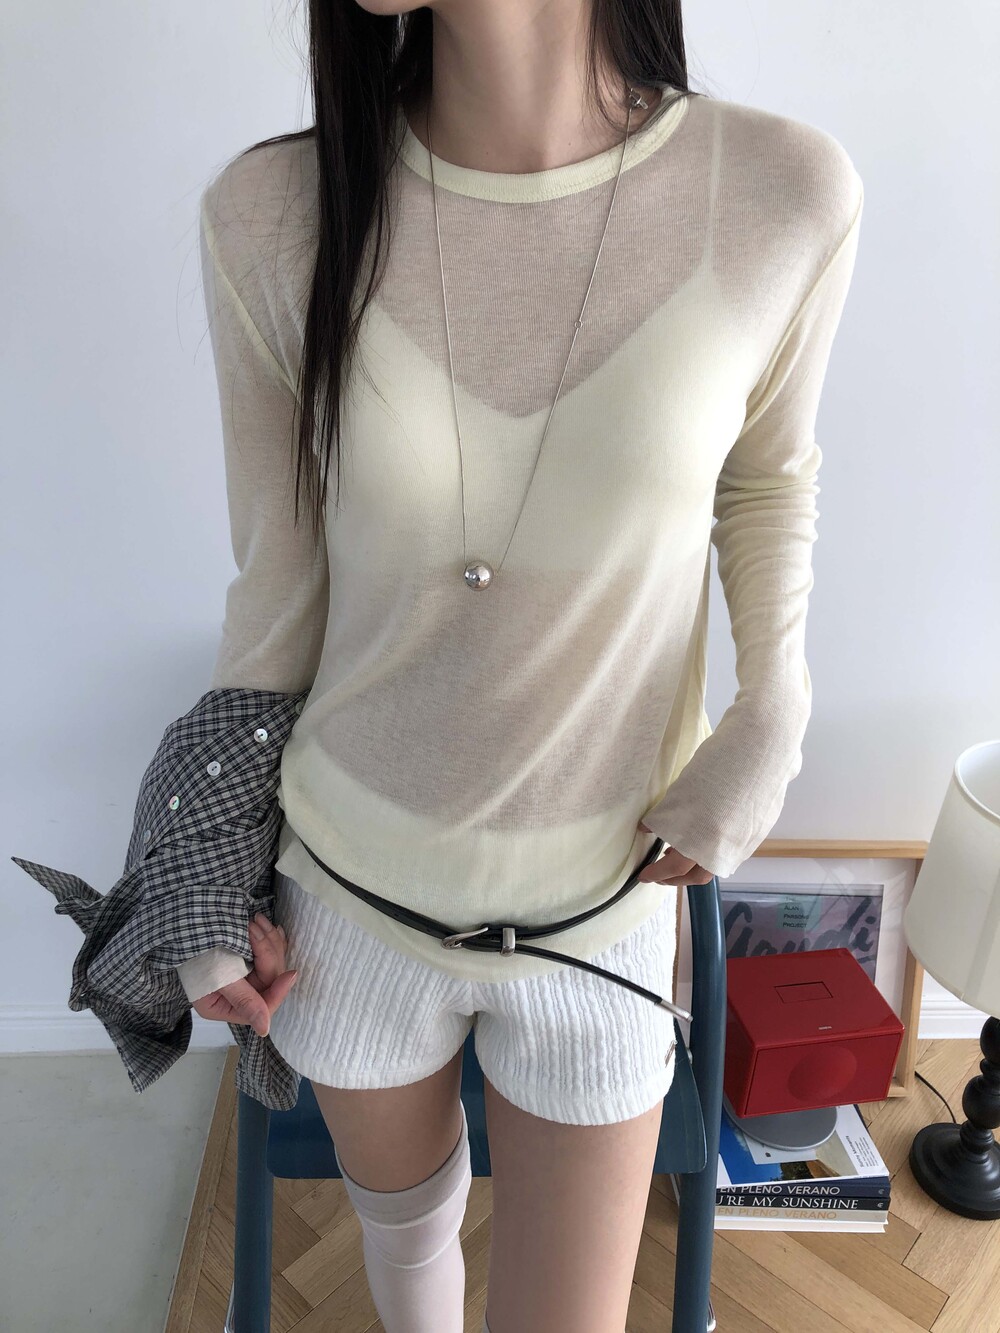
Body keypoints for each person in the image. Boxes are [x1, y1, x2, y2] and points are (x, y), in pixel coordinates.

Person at [184, 2, 864, 1330]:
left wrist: (774, 707)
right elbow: (273, 593)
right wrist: (203, 864)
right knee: (410, 1276)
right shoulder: (272, 214)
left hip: (605, 903)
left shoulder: (780, 192)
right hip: (348, 907)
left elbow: (769, 476)